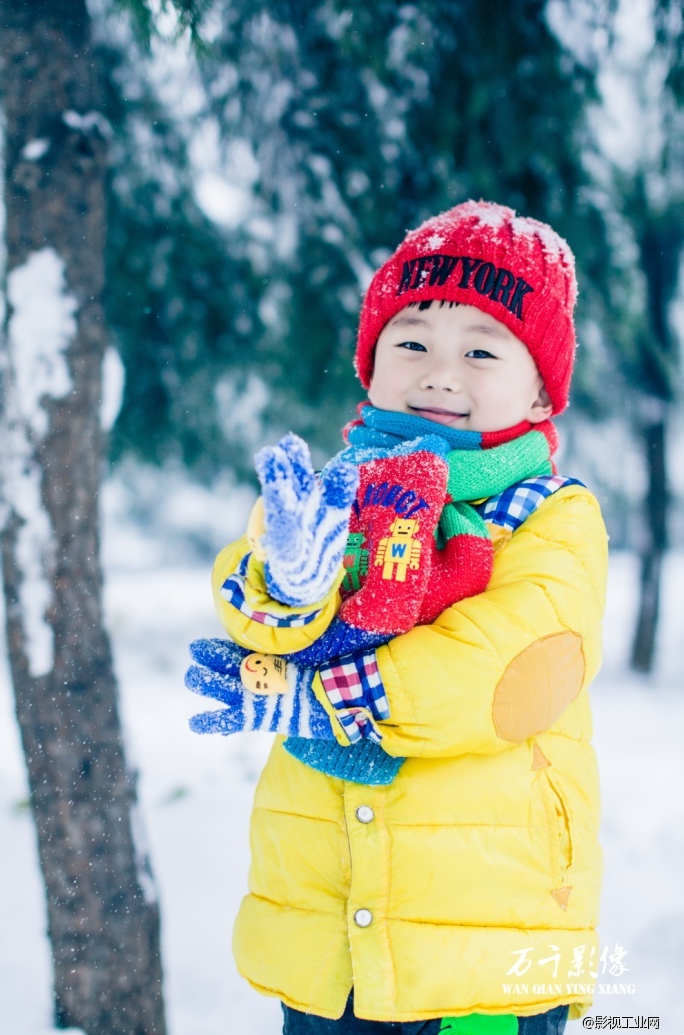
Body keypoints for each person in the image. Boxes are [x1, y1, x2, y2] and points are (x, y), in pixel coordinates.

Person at [185, 201, 608, 1034]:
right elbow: (258, 613)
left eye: (482, 350)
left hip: (486, 947)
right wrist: (289, 585)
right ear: (371, 361)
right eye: (411, 340)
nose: (440, 372)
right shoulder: (332, 495)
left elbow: (513, 666)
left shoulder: (551, 515)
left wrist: (342, 696)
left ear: (539, 386)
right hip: (329, 941)